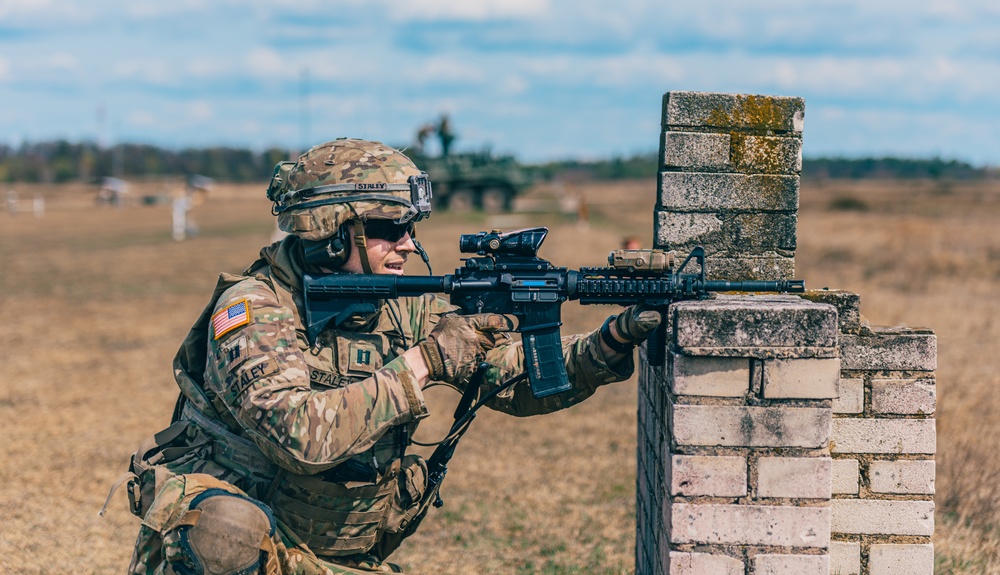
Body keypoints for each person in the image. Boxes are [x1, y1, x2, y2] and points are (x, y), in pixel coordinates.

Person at [115, 138, 659, 575]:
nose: (407, 244)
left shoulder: (400, 305)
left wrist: (611, 340)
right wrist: (423, 364)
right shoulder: (253, 310)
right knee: (222, 529)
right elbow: (299, 436)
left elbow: (510, 377)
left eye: (410, 229)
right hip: (254, 551)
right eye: (389, 229)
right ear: (332, 233)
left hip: (334, 557)